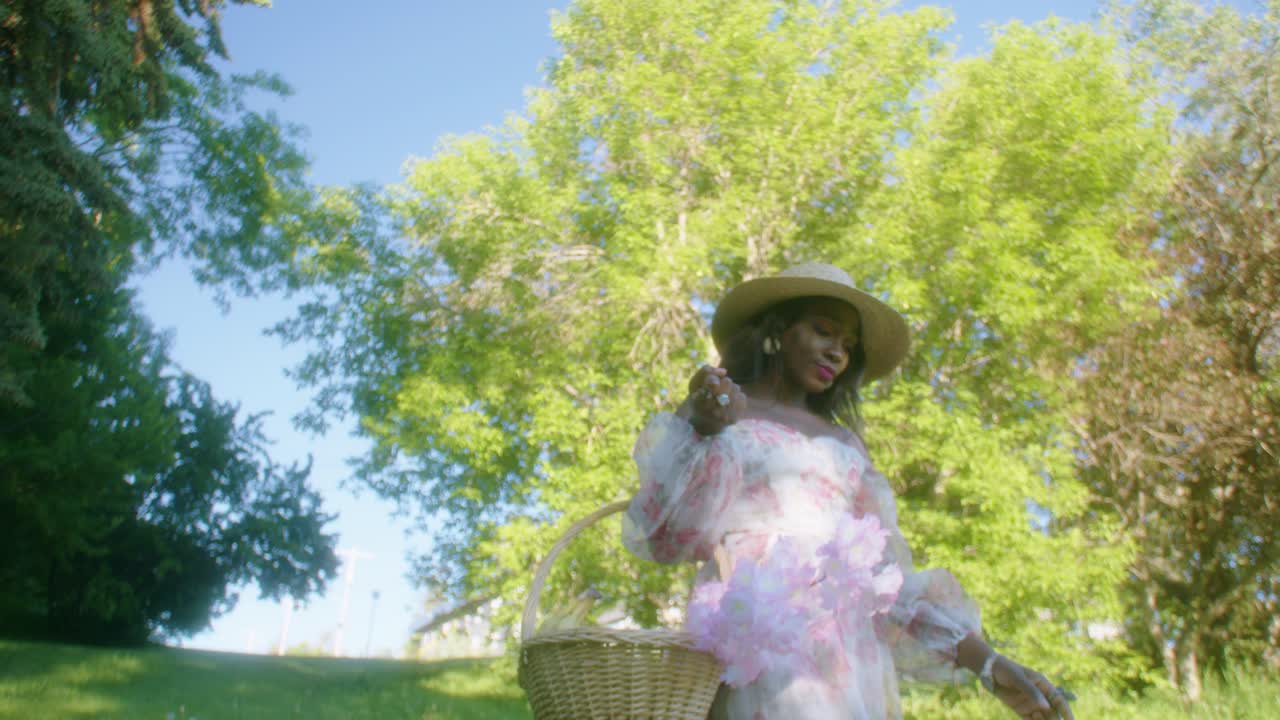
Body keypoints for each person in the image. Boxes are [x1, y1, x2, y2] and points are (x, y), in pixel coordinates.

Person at [622, 262, 1075, 720]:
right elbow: (665, 535)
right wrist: (701, 429)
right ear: (777, 330)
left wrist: (992, 666)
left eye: (848, 346)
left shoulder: (845, 447)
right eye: (824, 331)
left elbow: (890, 586)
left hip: (844, 664)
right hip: (752, 648)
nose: (838, 353)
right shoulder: (719, 406)